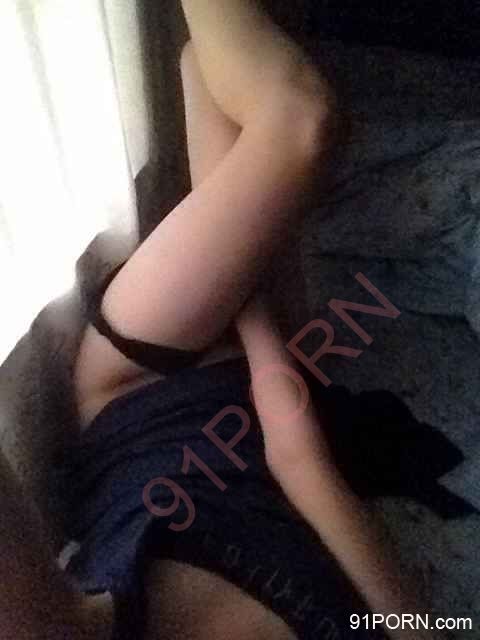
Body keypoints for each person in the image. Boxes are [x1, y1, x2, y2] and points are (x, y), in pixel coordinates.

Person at [0, 1, 444, 639]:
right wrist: (252, 314)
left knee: (285, 116)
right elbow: (300, 463)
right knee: (263, 105)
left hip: (131, 389)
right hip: (265, 387)